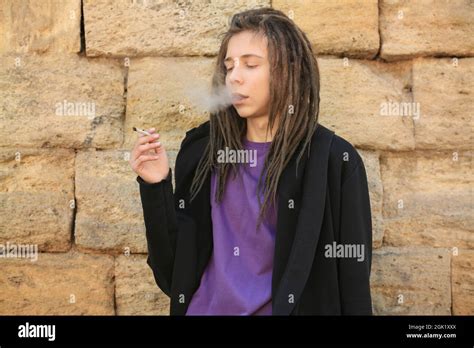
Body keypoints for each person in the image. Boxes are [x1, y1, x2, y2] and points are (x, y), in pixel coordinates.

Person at [130, 7, 373, 315]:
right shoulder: (202, 153)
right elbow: (172, 276)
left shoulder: (334, 162)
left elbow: (353, 288)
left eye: (250, 65)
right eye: (229, 67)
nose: (235, 77)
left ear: (289, 70)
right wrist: (156, 186)